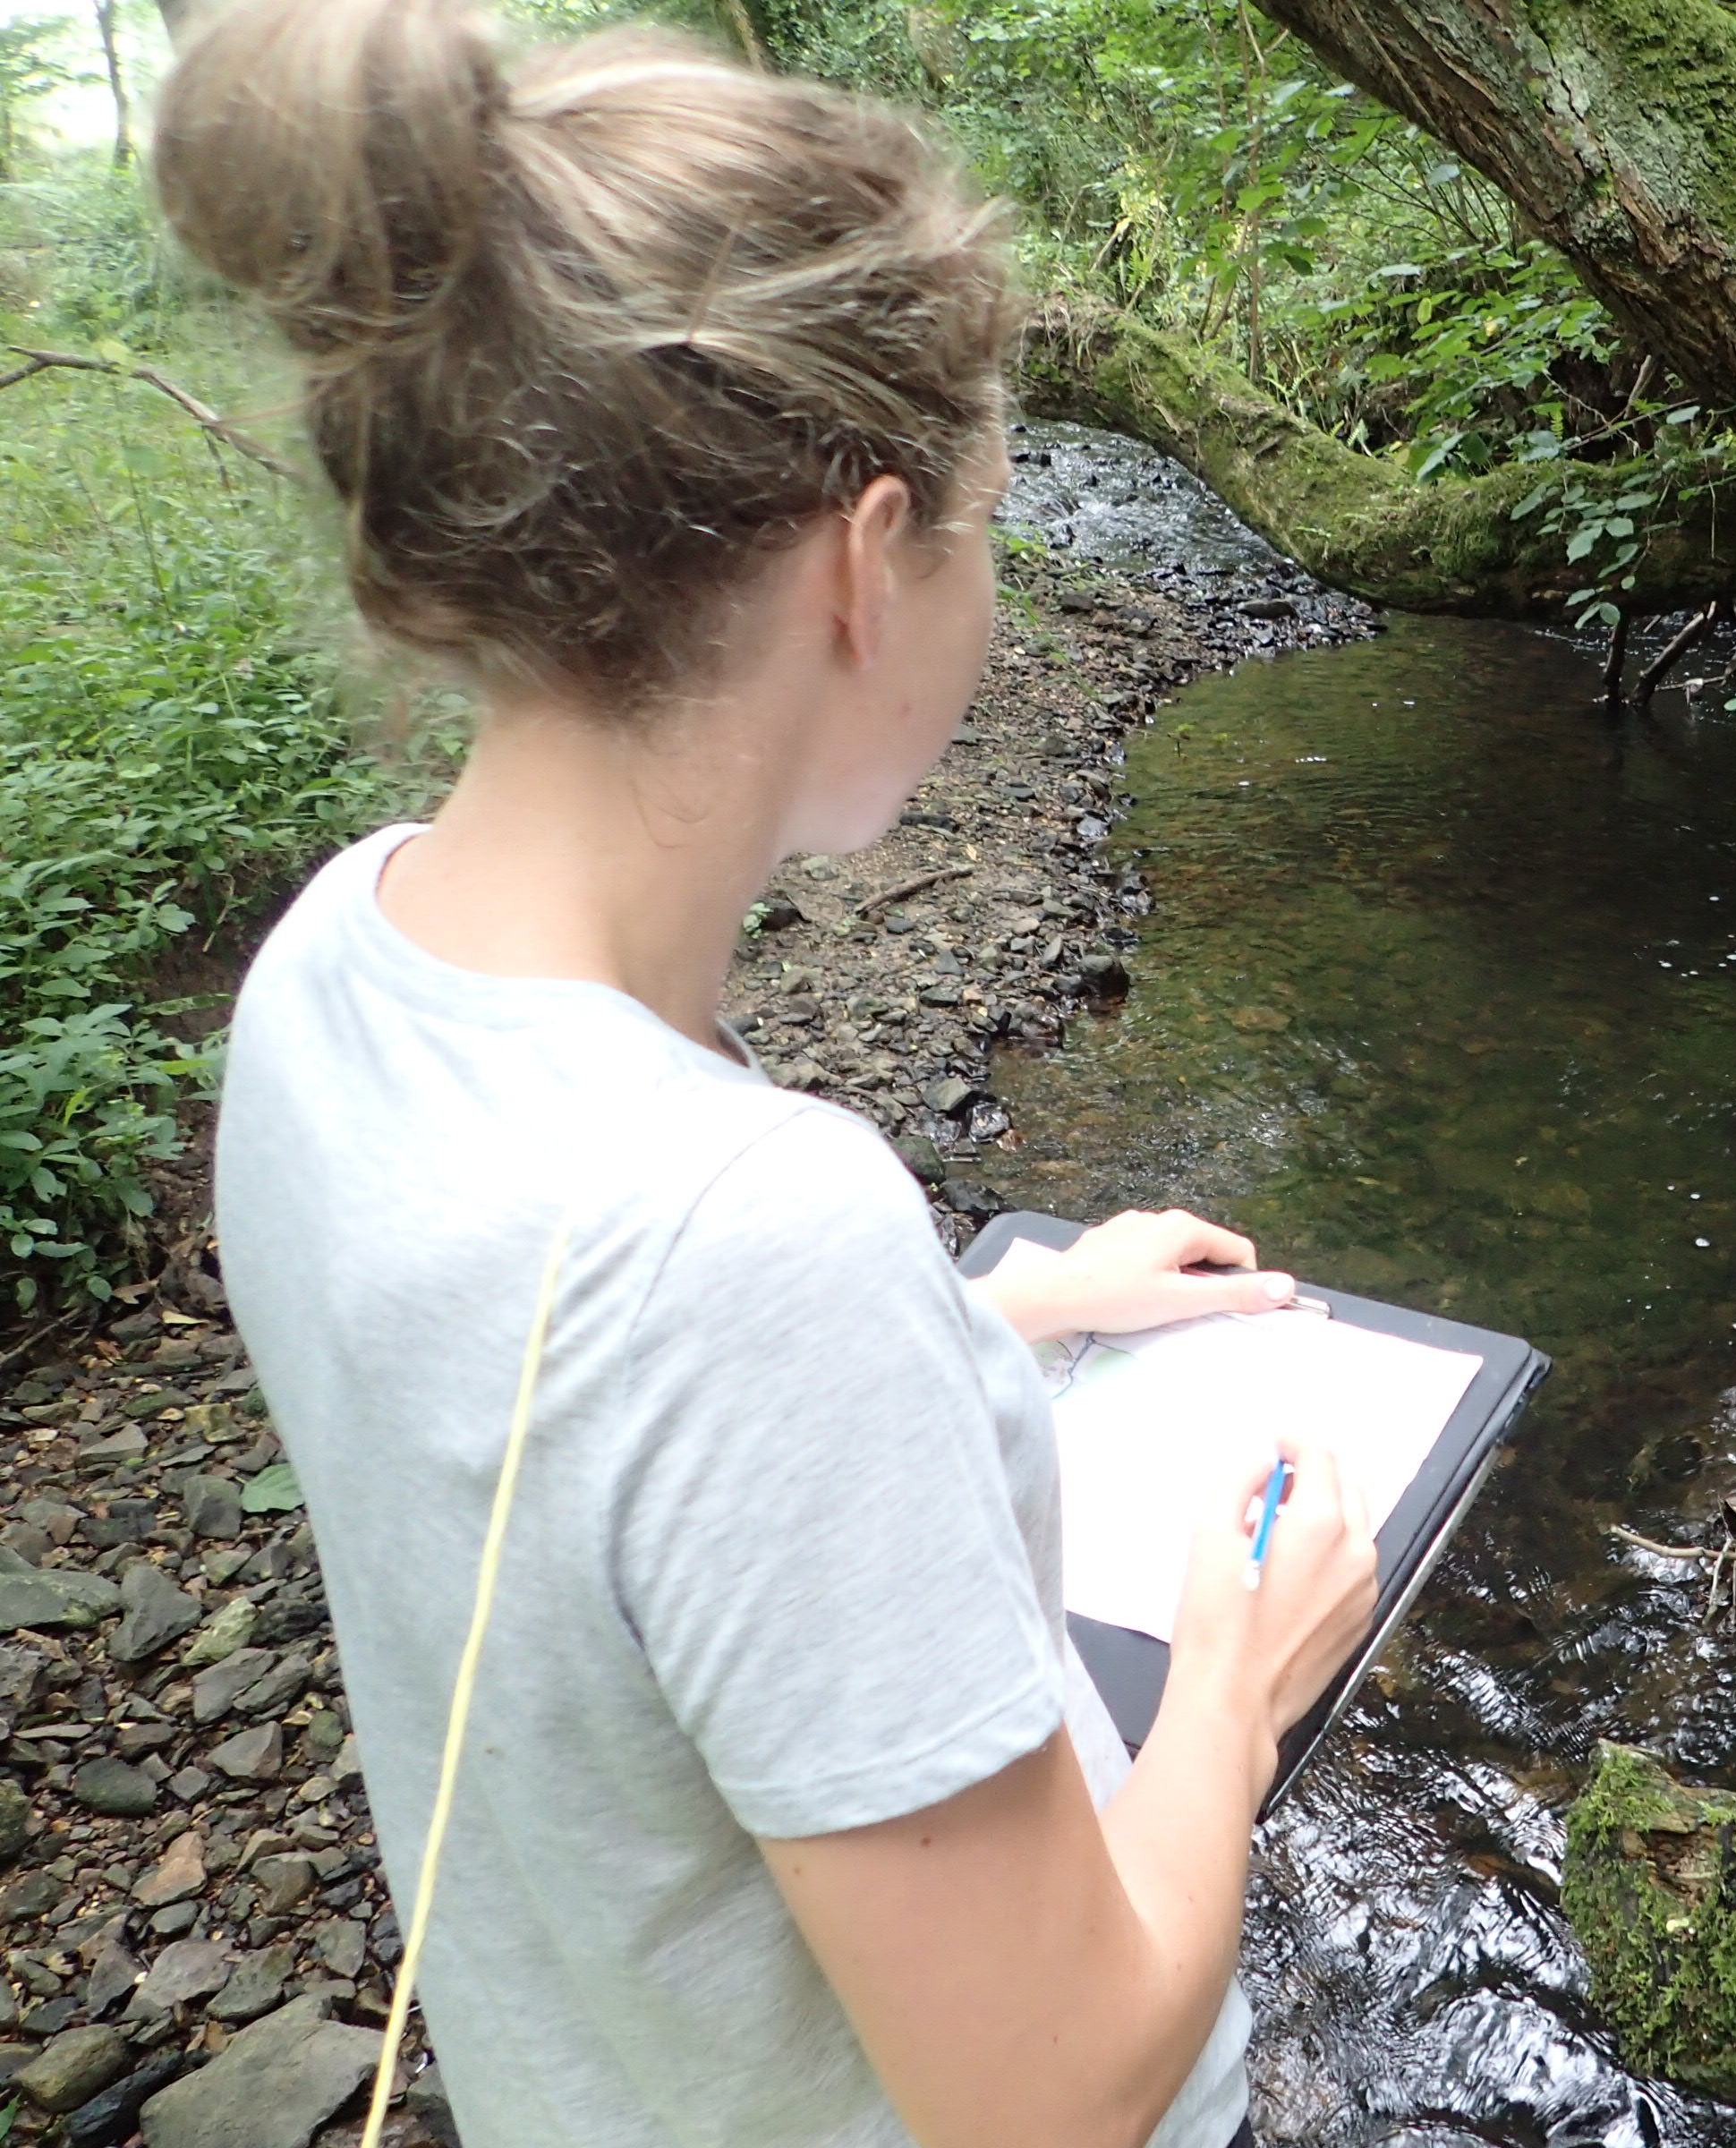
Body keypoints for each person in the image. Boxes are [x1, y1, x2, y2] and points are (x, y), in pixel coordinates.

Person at [164, 4, 1378, 2144]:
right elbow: (1049, 2091)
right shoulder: (747, 1239)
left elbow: (545, 1447)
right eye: (981, 522)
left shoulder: (331, 970)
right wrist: (1232, 1685)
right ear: (857, 556)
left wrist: (998, 1312)